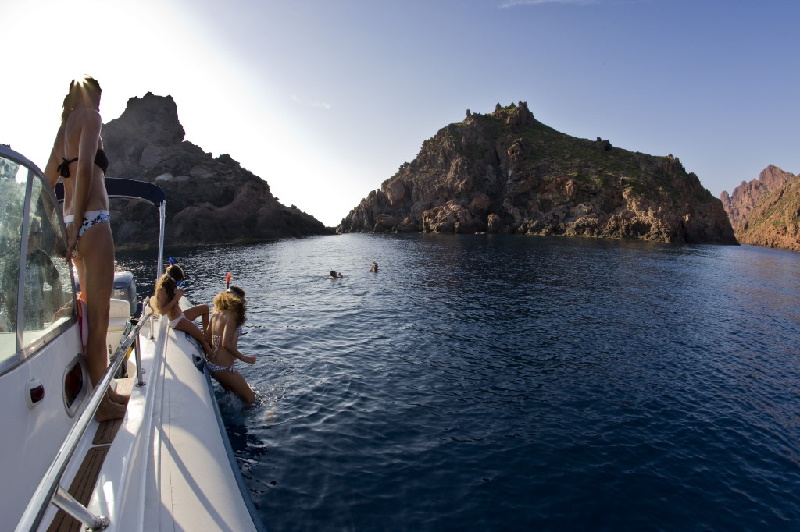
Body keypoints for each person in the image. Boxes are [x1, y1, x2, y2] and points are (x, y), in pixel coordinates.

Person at [43, 76, 126, 421]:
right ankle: (102, 402)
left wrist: (63, 230)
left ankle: (100, 395)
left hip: (71, 229)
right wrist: (79, 225)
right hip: (91, 224)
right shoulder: (90, 117)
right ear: (91, 97)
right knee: (100, 319)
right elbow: (88, 169)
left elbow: (47, 180)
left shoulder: (63, 128)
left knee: (93, 316)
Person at [204, 286, 256, 404]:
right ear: (237, 301)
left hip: (213, 365)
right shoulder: (232, 315)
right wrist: (244, 358)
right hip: (224, 367)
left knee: (235, 396)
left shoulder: (216, 312)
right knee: (251, 399)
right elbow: (226, 343)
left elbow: (207, 338)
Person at [153, 264, 211, 356]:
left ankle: (209, 338)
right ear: (173, 280)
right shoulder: (162, 290)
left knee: (205, 308)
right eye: (178, 282)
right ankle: (214, 362)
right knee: (202, 339)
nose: (178, 284)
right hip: (176, 321)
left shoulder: (170, 286)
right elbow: (162, 311)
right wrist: (176, 298)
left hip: (181, 315)